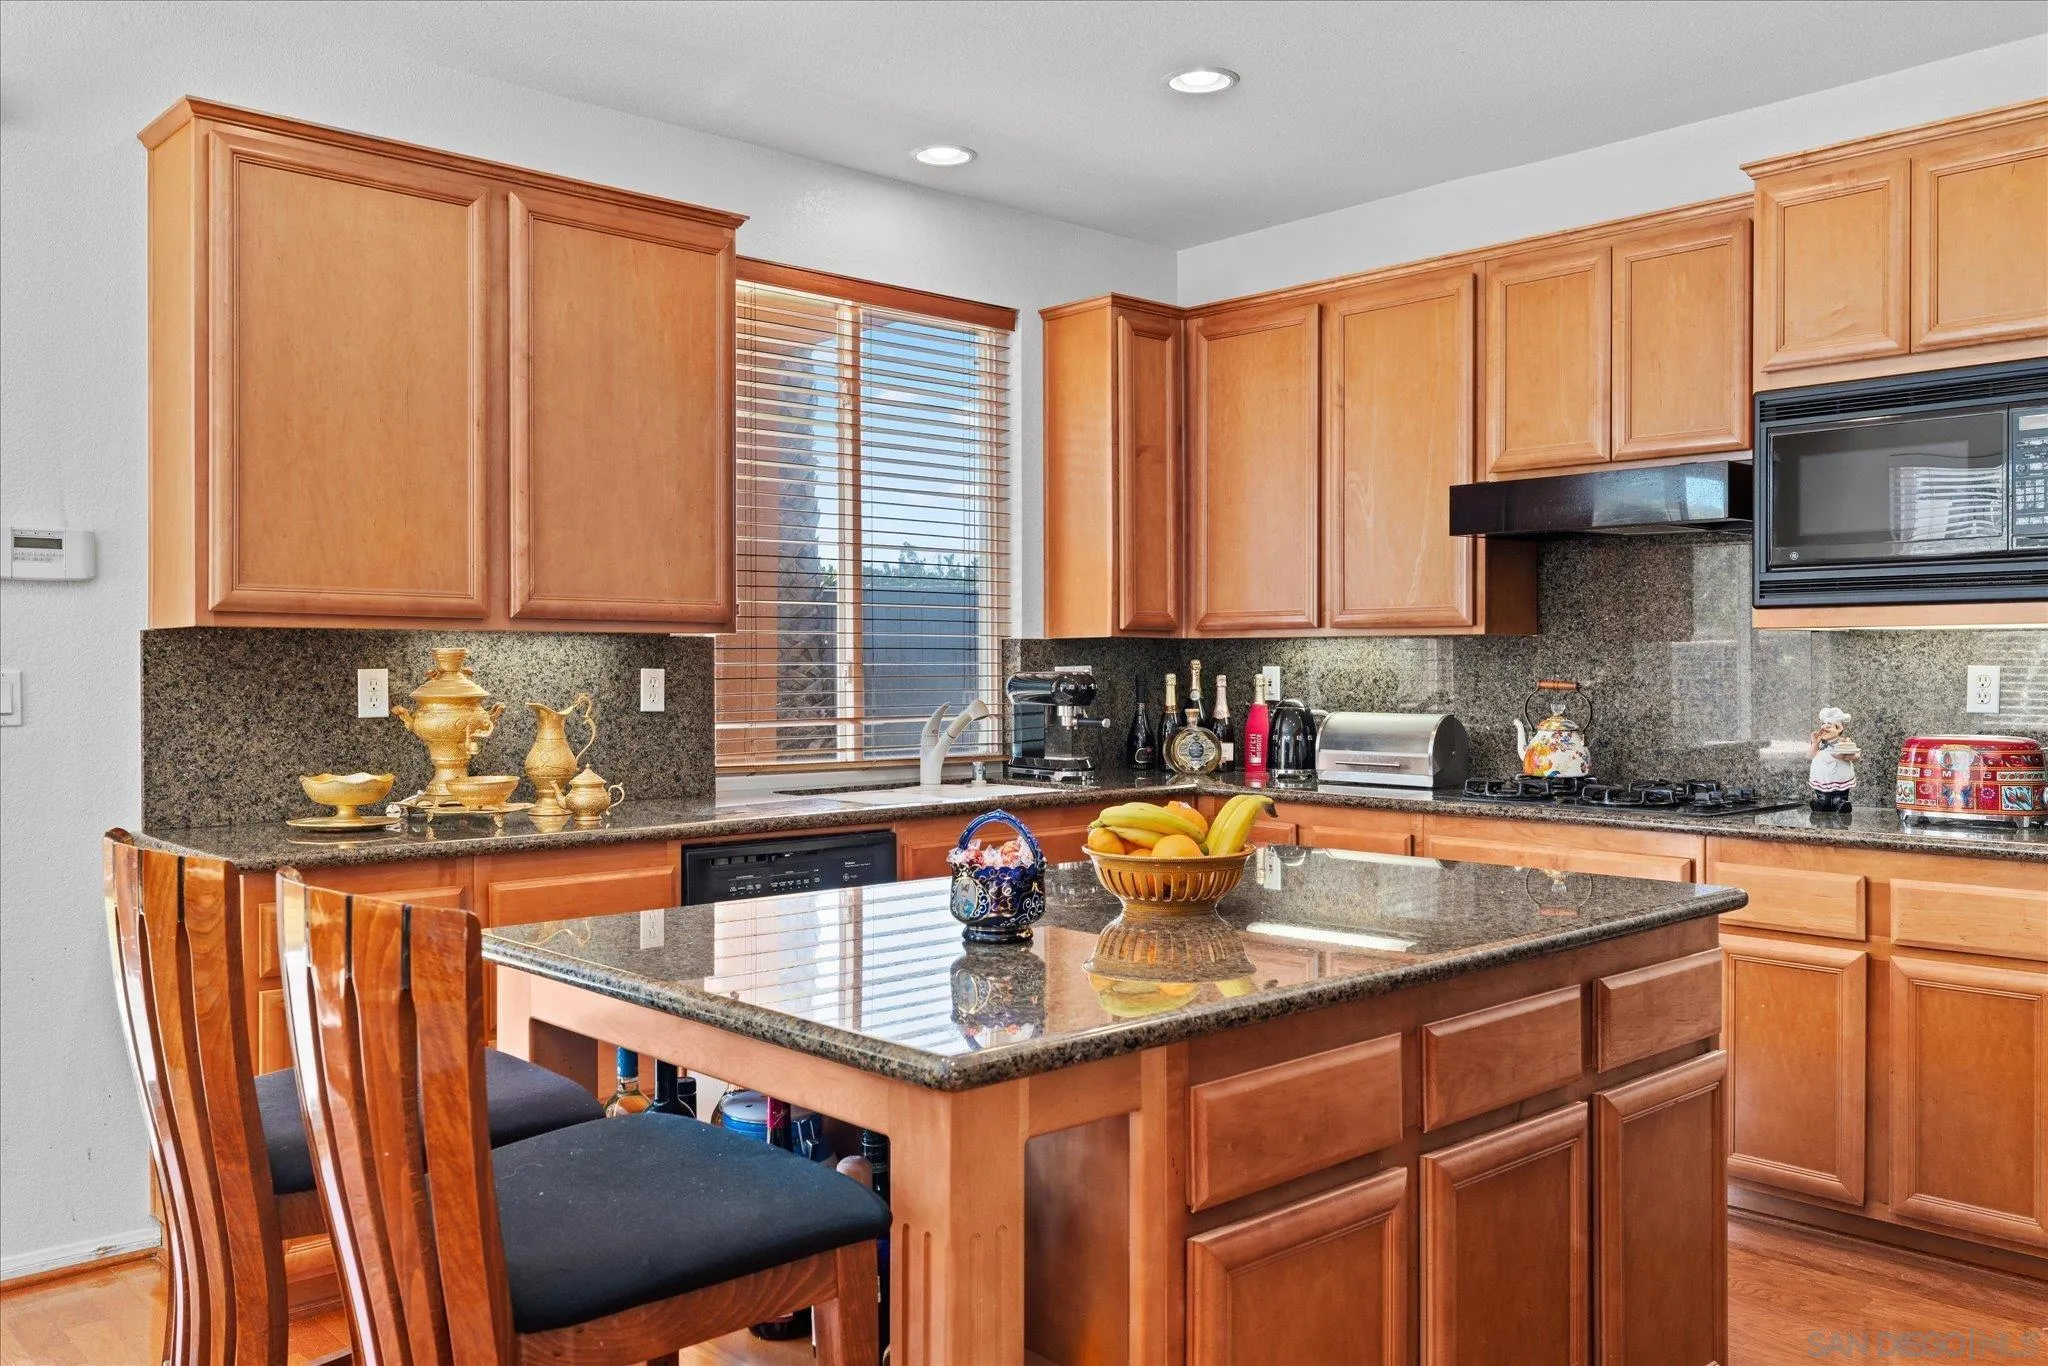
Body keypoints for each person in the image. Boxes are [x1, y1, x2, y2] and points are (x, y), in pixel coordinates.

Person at [1807, 706, 1860, 812]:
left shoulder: (1844, 743)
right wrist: (1814, 743)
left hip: (1840, 778)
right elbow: (1810, 756)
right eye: (1823, 725)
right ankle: (1822, 803)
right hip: (1822, 778)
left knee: (1839, 794)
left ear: (1839, 729)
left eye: (1829, 726)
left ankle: (1840, 803)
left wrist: (1844, 756)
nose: (1824, 728)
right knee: (1823, 795)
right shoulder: (1820, 744)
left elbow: (1857, 755)